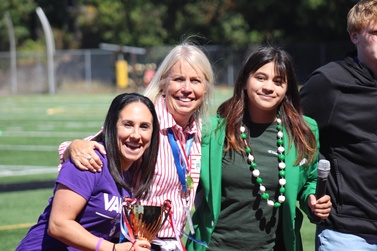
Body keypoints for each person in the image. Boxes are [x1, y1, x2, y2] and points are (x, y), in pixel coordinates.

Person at [58, 40, 214, 251]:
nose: (186, 88)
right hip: (135, 244)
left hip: (175, 242)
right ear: (163, 84)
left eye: (195, 81)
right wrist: (73, 146)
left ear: (205, 88)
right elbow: (93, 147)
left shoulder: (200, 131)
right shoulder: (145, 121)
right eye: (178, 79)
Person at [186, 46, 332, 251]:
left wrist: (311, 199)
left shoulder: (304, 131)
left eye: (278, 81)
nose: (269, 87)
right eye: (260, 77)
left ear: (287, 88)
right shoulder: (213, 131)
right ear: (245, 81)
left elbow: (309, 178)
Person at [16, 93, 159, 251]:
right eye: (128, 125)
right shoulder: (89, 161)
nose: (136, 135)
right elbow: (58, 225)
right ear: (111, 126)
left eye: (144, 126)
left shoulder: (133, 174)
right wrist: (113, 249)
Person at [299, 0, 377, 250]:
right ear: (355, 36)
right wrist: (310, 192)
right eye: (376, 32)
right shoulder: (329, 83)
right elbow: (290, 134)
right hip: (347, 234)